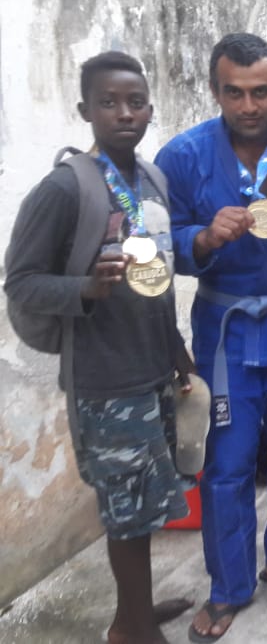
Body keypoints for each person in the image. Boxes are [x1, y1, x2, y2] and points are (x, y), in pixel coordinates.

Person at [4, 51, 195, 644]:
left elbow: (157, 278)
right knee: (126, 511)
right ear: (85, 109)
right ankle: (135, 632)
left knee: (146, 507)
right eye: (109, 102)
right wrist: (86, 286)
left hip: (151, 370)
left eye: (135, 102)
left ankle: (129, 614)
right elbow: (21, 280)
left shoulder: (151, 179)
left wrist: (177, 351)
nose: (123, 113)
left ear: (149, 108)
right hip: (104, 381)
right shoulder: (66, 187)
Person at [155, 33, 267, 643]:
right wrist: (200, 239)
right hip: (226, 334)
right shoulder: (182, 156)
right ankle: (229, 587)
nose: (249, 105)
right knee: (226, 465)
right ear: (216, 91)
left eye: (262, 91)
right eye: (235, 92)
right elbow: (157, 240)